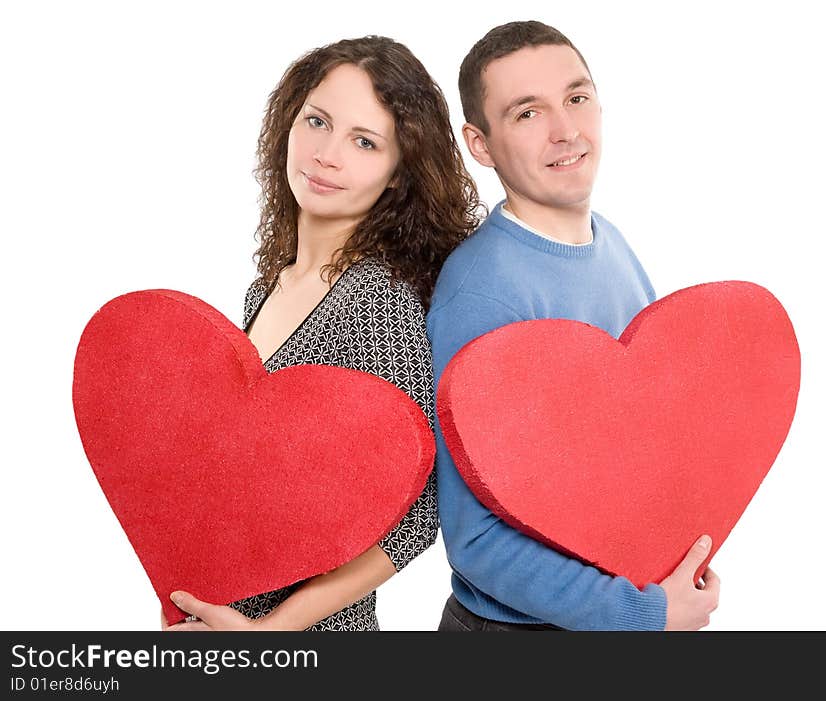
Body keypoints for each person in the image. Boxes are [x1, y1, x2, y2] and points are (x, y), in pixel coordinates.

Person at [162, 35, 482, 631]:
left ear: (397, 174)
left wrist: (269, 633)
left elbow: (417, 514)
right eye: (317, 122)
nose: (327, 154)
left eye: (364, 142)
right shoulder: (272, 284)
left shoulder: (374, 305)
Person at [428, 20, 721, 631]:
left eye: (577, 98)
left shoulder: (610, 243)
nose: (566, 130)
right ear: (480, 145)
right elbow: (473, 539)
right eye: (527, 113)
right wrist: (642, 613)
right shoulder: (480, 294)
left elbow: (645, 439)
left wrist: (679, 563)